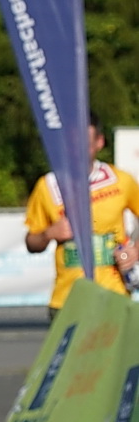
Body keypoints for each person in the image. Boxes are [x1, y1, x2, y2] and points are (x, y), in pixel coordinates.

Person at [25, 113, 139, 318]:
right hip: (67, 300)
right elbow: (32, 242)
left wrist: (135, 251)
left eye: (85, 143)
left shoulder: (121, 181)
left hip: (114, 297)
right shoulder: (47, 186)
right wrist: (49, 234)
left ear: (99, 143)